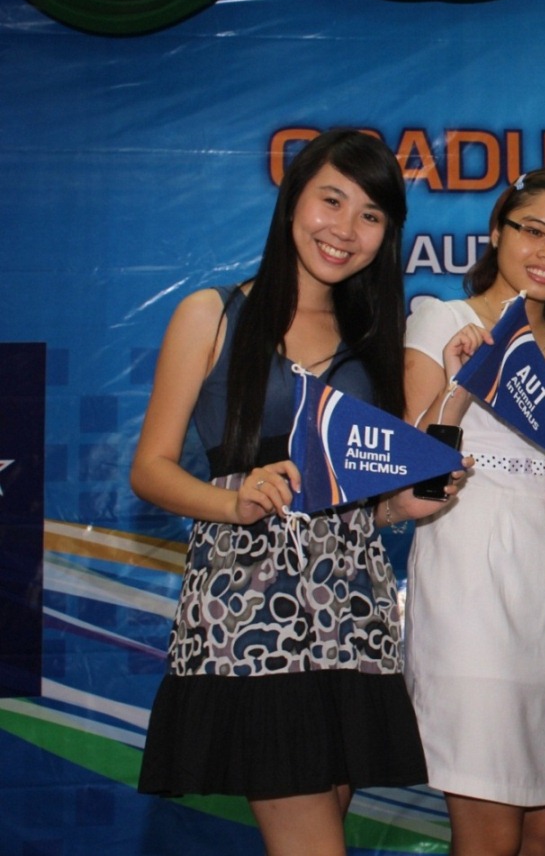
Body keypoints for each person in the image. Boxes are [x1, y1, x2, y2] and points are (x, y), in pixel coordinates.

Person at [132, 129, 451, 855]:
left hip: (353, 614)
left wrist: (399, 507)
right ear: (292, 201)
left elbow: (359, 494)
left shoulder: (372, 335)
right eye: (331, 201)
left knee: (321, 822)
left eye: (370, 215)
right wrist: (232, 501)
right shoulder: (213, 314)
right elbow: (149, 467)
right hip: (252, 614)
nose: (345, 229)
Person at [400, 168, 545, 856]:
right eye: (534, 231)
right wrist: (460, 381)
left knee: (543, 833)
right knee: (490, 835)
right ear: (498, 229)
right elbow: (408, 466)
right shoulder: (443, 320)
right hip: (468, 594)